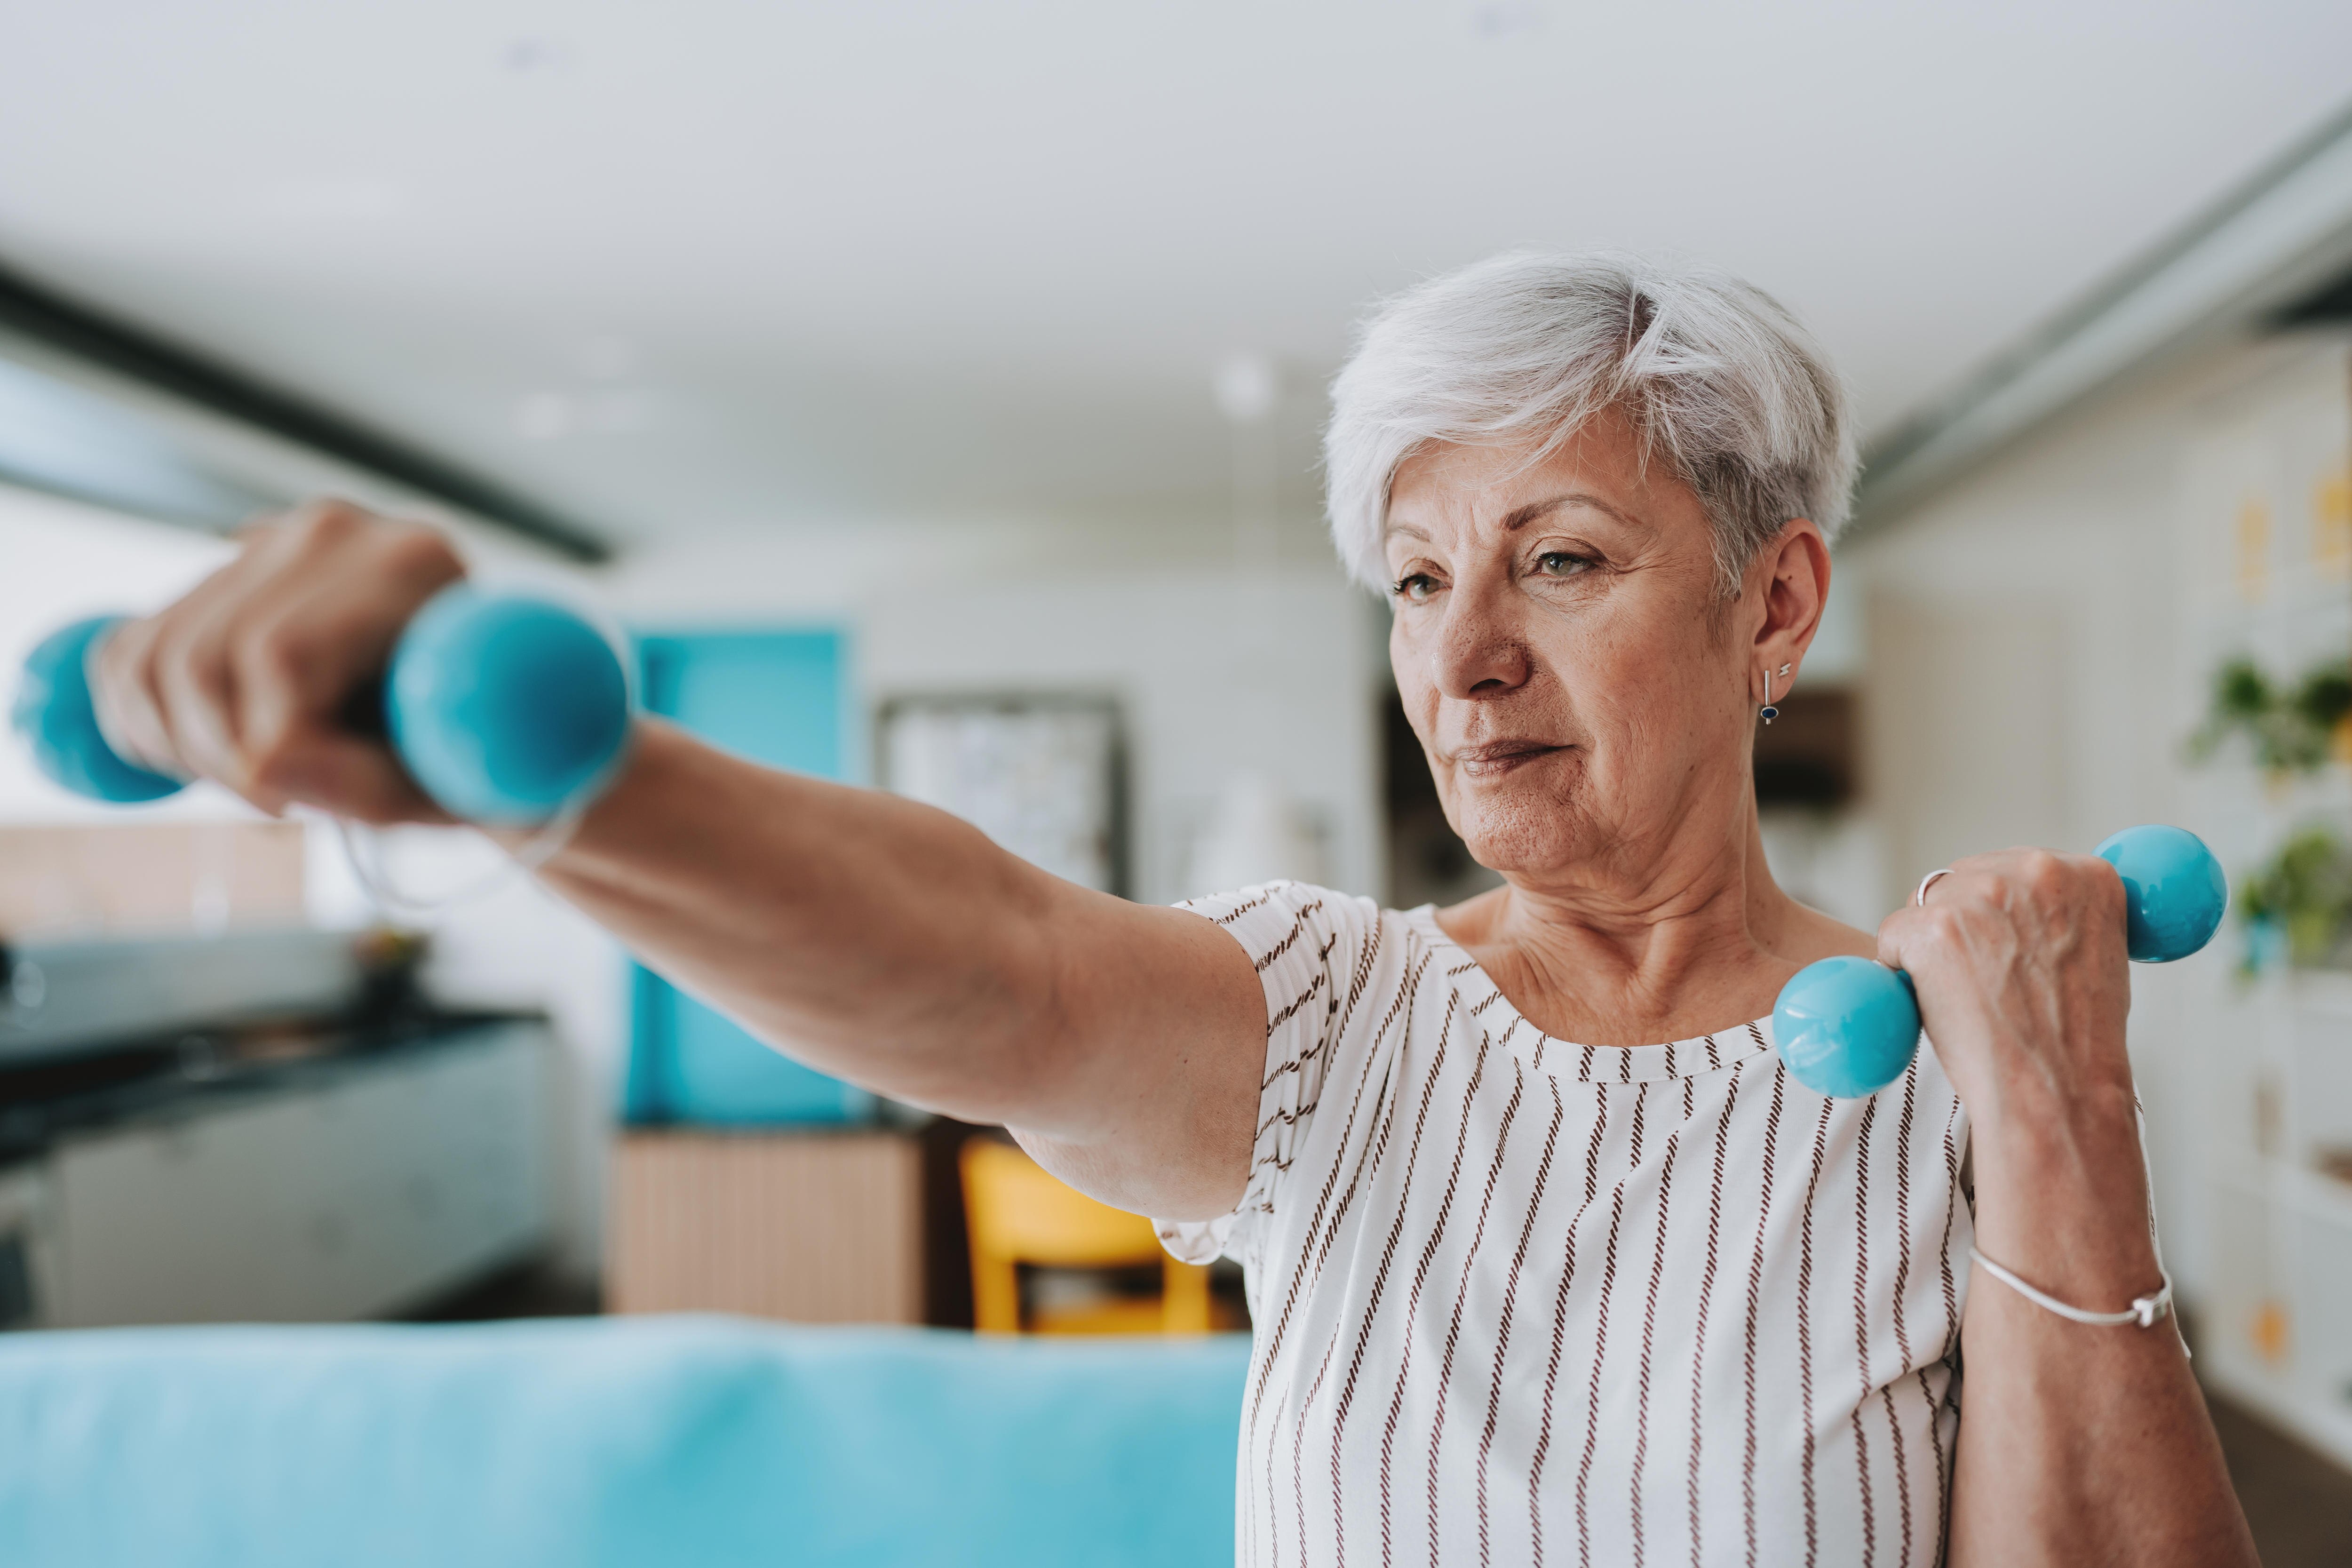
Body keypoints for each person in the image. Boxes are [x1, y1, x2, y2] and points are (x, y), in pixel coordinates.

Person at [89, 251, 2256, 1565]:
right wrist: (562, 790)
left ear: (1770, 604)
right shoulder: (1341, 1021)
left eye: (1560, 560)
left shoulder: (1940, 1082)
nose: (1460, 659)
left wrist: (2058, 1106)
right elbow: (996, 968)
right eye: (1417, 581)